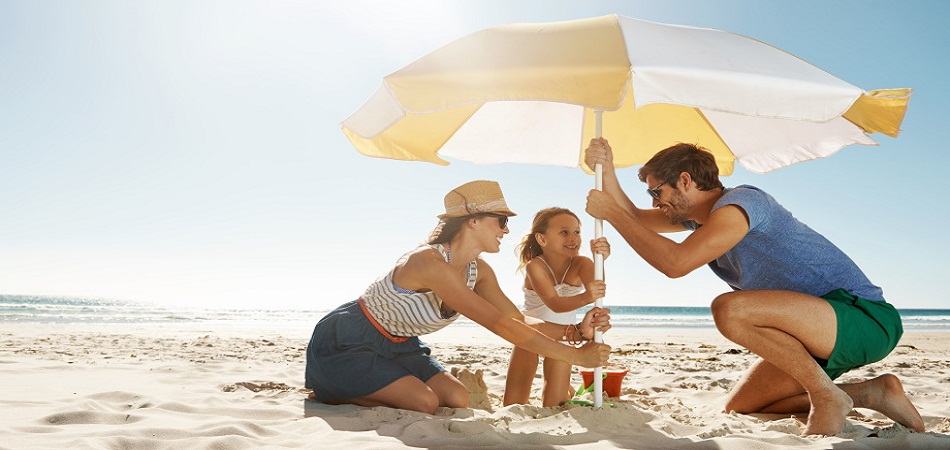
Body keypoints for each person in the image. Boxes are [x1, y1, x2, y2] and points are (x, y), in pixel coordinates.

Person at [583, 138, 924, 436]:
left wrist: (613, 215)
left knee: (730, 309)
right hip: (814, 335)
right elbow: (635, 218)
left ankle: (826, 396)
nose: (655, 202)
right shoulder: (699, 220)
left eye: (656, 192)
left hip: (863, 319)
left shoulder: (741, 204)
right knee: (742, 407)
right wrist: (607, 169)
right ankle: (873, 393)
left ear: (685, 181)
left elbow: (676, 263)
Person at [305, 180, 612, 414]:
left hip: (402, 344)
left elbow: (517, 319)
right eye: (501, 221)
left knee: (457, 397)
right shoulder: (429, 262)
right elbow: (500, 326)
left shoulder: (480, 271)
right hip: (351, 339)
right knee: (425, 402)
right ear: (472, 221)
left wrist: (575, 332)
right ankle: (331, 388)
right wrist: (576, 356)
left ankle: (376, 383)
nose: (506, 231)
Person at [503, 208, 610, 407]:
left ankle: (565, 389)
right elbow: (555, 303)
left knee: (553, 405)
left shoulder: (581, 263)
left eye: (577, 232)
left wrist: (600, 260)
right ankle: (564, 389)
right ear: (541, 239)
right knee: (513, 404)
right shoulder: (535, 266)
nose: (573, 238)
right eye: (564, 232)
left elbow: (597, 284)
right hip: (532, 334)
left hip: (564, 336)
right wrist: (587, 296)